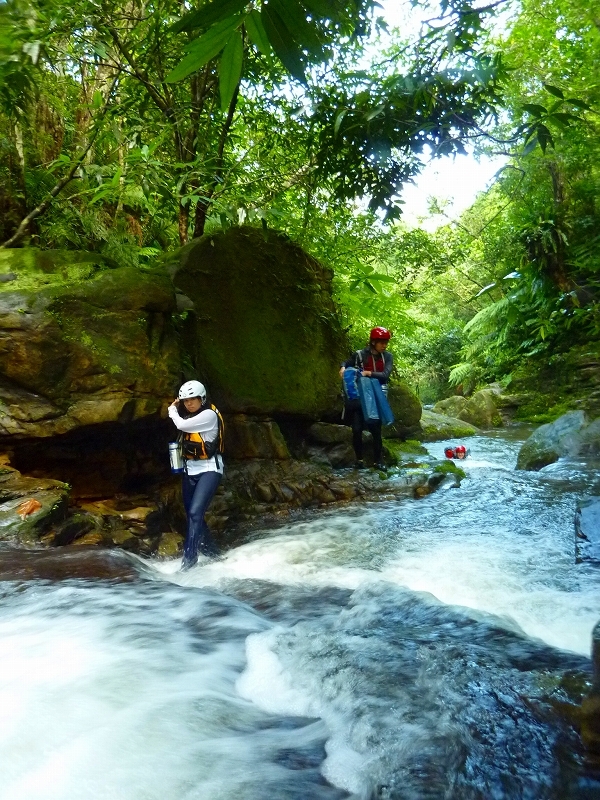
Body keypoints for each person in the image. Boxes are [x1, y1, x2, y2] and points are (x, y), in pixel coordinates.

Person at [168, 380, 224, 569]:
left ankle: (189, 561)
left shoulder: (208, 415)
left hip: (209, 469)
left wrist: (172, 410)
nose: (189, 403)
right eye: (185, 400)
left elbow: (182, 426)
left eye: (193, 399)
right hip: (189, 470)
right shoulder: (191, 414)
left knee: (194, 512)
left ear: (202, 398)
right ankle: (214, 553)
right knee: (193, 515)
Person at [339, 326, 393, 470]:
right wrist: (343, 367)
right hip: (359, 396)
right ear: (373, 342)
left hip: (377, 395)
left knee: (376, 430)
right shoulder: (360, 355)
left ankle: (378, 461)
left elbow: (385, 375)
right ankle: (359, 460)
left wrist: (368, 373)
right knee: (356, 429)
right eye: (381, 342)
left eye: (386, 342)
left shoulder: (387, 357)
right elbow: (346, 362)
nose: (384, 345)